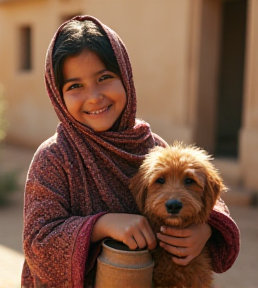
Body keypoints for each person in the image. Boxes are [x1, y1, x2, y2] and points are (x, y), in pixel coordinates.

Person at [22, 15, 240, 288]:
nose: (94, 96)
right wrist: (101, 225)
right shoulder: (54, 158)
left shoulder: (151, 146)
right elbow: (38, 243)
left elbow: (209, 196)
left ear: (125, 76)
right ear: (57, 93)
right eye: (75, 86)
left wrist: (205, 229)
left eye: (104, 78)